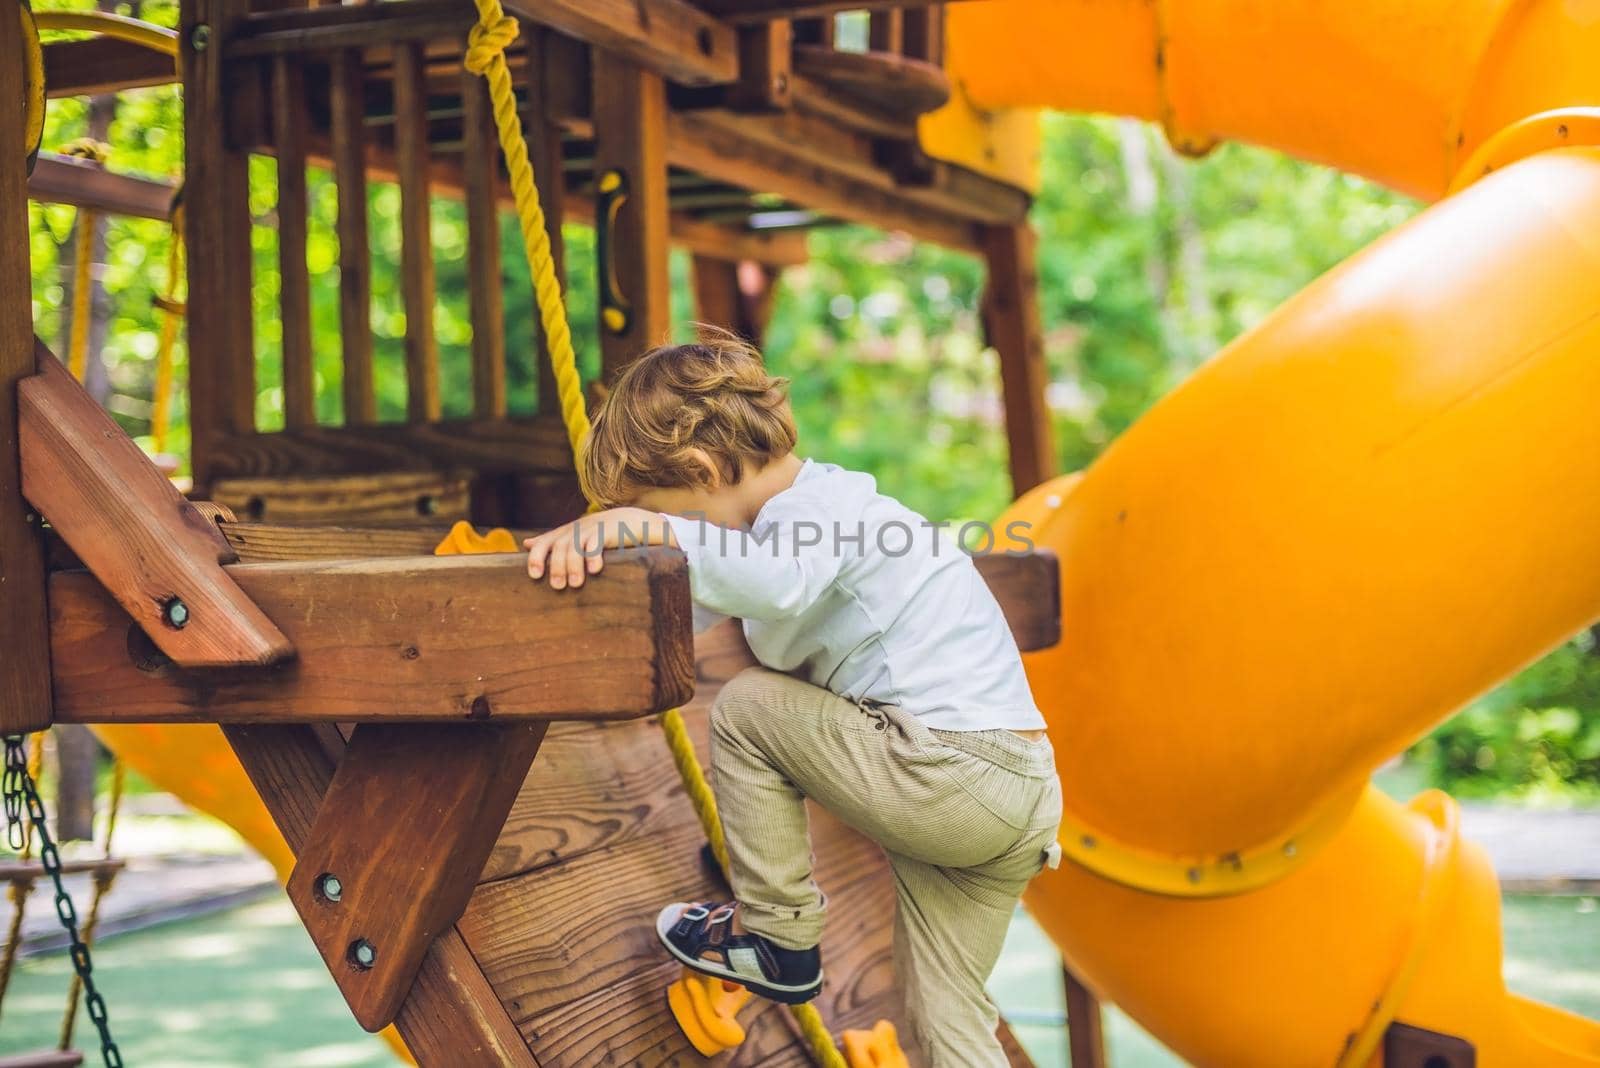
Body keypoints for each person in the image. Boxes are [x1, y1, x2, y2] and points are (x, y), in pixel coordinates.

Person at [522, 330, 1062, 1067]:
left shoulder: (815, 513)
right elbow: (705, 602)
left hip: (957, 775)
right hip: (1013, 791)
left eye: (665, 512)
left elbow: (773, 584)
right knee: (947, 1023)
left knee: (747, 708)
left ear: (702, 470)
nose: (668, 539)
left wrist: (647, 524)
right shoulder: (808, 523)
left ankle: (776, 936)